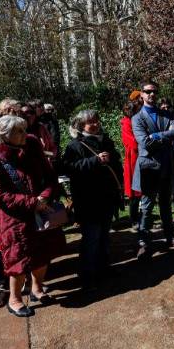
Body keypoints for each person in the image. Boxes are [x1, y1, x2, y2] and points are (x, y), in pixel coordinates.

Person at [0, 115, 59, 317]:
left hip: (41, 211)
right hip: (15, 218)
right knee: (19, 260)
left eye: (24, 129)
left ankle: (37, 289)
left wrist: (45, 196)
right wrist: (32, 202)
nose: (26, 134)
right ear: (4, 135)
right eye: (19, 131)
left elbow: (49, 175)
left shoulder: (31, 144)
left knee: (42, 254)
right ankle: (14, 300)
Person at [64, 110, 123, 289]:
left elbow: (116, 164)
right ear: (81, 125)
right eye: (91, 122)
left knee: (104, 235)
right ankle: (87, 275)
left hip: (107, 197)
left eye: (97, 120)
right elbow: (69, 169)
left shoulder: (106, 141)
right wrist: (95, 161)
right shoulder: (74, 146)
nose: (96, 124)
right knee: (91, 237)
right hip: (88, 200)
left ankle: (104, 268)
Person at [131, 81, 174, 260]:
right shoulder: (137, 118)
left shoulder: (167, 114)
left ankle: (170, 237)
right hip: (149, 167)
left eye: (154, 91)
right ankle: (144, 243)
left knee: (165, 205)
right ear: (141, 94)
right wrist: (165, 136)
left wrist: (156, 135)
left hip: (167, 165)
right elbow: (144, 142)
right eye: (147, 91)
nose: (151, 94)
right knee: (147, 207)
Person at [120, 100, 143, 229]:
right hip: (133, 160)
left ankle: (142, 217)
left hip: (140, 157)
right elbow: (133, 143)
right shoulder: (127, 123)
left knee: (142, 190)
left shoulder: (135, 121)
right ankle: (134, 219)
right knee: (134, 192)